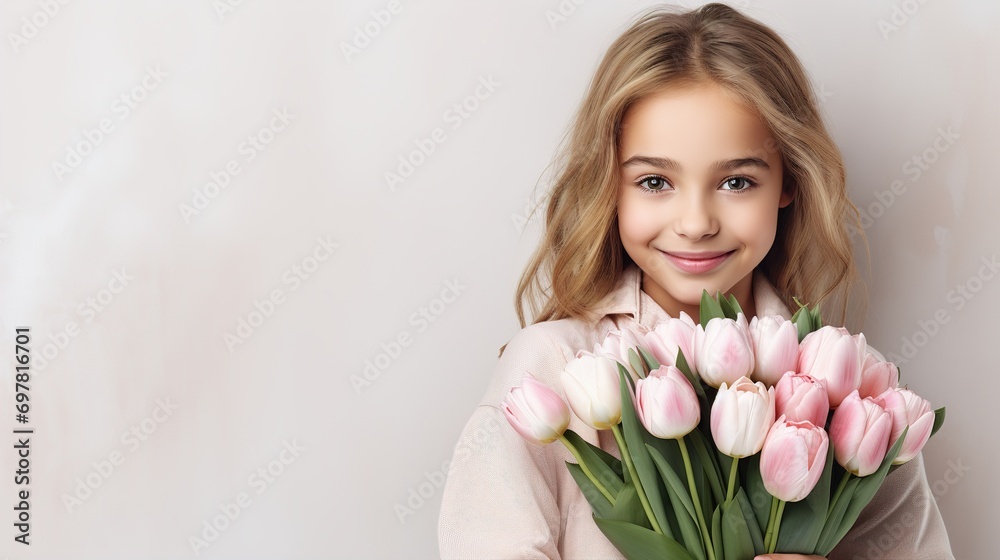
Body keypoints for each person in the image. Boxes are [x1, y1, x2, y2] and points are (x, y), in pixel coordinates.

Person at [437, 3, 954, 559]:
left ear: (789, 182)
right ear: (610, 184)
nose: (695, 223)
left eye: (736, 180)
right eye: (655, 180)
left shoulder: (853, 394)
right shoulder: (550, 371)